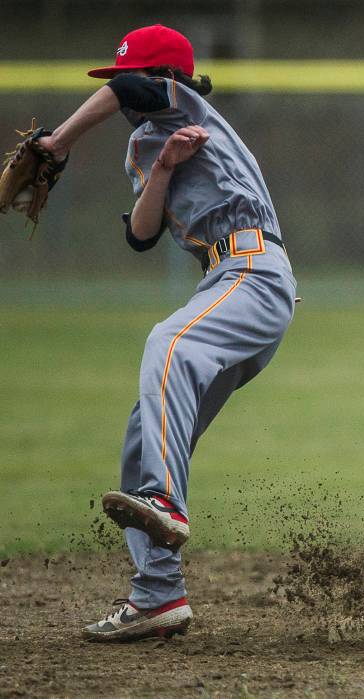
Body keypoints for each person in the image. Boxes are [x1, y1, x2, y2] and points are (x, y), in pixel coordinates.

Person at [36, 24, 297, 641]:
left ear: (166, 81)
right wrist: (165, 168)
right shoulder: (151, 145)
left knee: (167, 343)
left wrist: (57, 143)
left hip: (253, 272)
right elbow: (141, 235)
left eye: (127, 84)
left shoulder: (189, 105)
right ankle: (158, 595)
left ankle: (163, 500)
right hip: (222, 282)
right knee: (142, 437)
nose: (119, 96)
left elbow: (135, 84)